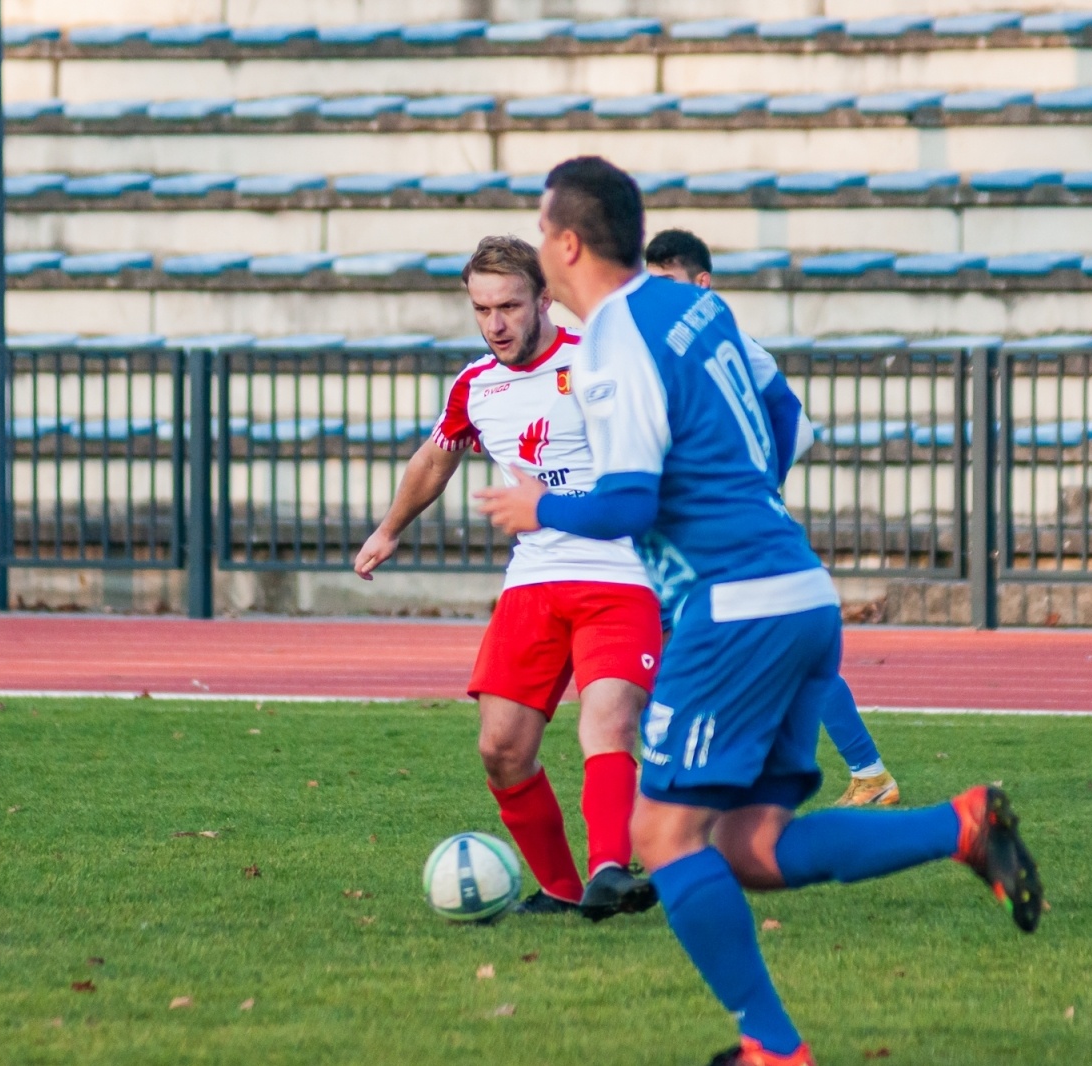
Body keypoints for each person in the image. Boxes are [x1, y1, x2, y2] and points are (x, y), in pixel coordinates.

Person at [476, 158, 1042, 1066]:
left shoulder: (617, 343)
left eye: (543, 230)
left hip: (731, 608)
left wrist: (534, 506)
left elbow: (624, 504)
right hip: (798, 592)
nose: (539, 243)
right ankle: (964, 825)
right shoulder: (693, 306)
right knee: (749, 846)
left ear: (568, 242)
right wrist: (749, 500)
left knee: (660, 836)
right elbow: (781, 410)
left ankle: (774, 1047)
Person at [354, 235, 662, 921]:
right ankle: (560, 890)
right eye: (482, 309)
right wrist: (390, 528)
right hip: (533, 585)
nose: (496, 324)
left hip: (619, 577)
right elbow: (435, 459)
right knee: (501, 750)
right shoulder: (476, 385)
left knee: (606, 722)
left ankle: (610, 871)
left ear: (545, 299)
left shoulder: (599, 364)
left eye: (510, 306)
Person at [644, 227, 901, 809]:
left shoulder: (721, 337)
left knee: (754, 641)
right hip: (689, 531)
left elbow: (797, 423)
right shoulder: (679, 339)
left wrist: (756, 487)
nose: (655, 295)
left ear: (701, 283)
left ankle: (858, 771)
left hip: (729, 529)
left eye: (668, 282)